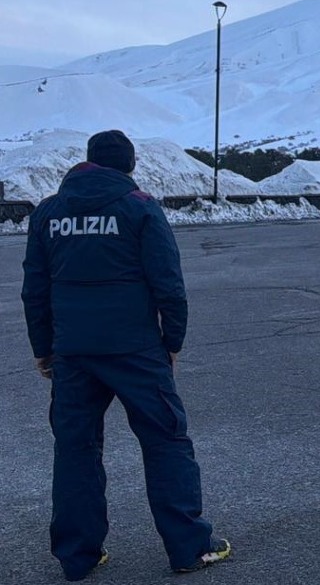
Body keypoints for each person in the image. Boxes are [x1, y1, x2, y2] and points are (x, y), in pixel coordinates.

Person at [21, 131, 230, 580]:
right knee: (165, 440)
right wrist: (172, 342)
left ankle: (78, 557)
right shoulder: (139, 208)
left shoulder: (49, 213)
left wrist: (44, 349)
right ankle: (189, 548)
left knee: (76, 450)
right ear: (129, 166)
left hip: (73, 353)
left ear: (88, 162)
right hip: (135, 351)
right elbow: (169, 285)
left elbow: (34, 290)